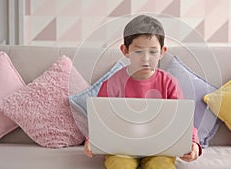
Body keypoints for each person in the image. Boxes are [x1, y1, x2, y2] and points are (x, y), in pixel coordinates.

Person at [84, 14, 202, 169]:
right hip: (121, 148)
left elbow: (183, 121)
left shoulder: (169, 83)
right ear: (125, 50)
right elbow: (100, 120)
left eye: (153, 52)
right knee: (119, 165)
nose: (146, 59)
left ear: (162, 51)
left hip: (160, 149)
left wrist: (193, 142)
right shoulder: (112, 83)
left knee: (161, 165)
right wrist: (92, 140)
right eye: (138, 52)